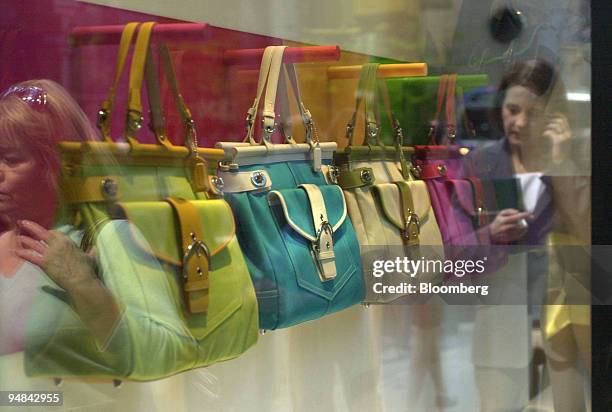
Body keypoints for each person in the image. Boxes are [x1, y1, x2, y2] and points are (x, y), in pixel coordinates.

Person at [464, 58, 587, 411]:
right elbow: (457, 248)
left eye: (532, 113)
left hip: (560, 321)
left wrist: (562, 164)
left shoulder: (574, 162)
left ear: (553, 115)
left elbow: (586, 231)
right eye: (512, 110)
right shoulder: (481, 164)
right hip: (499, 318)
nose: (519, 122)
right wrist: (490, 233)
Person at [0, 79, 121, 356]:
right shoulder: (3, 243)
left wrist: (84, 286)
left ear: (54, 166)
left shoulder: (99, 244)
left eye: (12, 159)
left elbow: (143, 356)